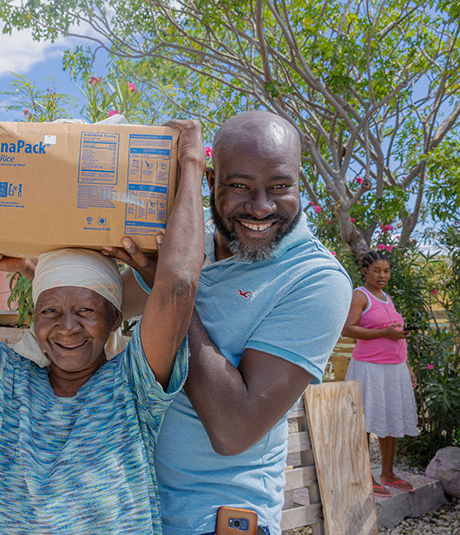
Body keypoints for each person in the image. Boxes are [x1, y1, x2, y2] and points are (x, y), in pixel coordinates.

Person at [0, 112, 206, 535]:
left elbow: (177, 285)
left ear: (114, 318)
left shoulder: (131, 387)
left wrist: (191, 162)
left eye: (85, 311)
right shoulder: (6, 384)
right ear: (34, 317)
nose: (66, 327)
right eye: (50, 311)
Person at [103, 110, 353, 535]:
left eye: (279, 187)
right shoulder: (189, 239)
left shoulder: (316, 281)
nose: (261, 207)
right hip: (133, 509)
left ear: (298, 182)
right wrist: (43, 266)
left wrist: (173, 290)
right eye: (239, 186)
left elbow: (234, 429)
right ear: (209, 179)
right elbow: (109, 307)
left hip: (216, 518)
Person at [341, 250, 419, 497]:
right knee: (364, 421)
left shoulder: (387, 297)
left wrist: (408, 367)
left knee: (390, 419)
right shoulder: (359, 295)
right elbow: (347, 329)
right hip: (369, 368)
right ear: (365, 271)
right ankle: (364, 475)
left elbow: (395, 334)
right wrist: (385, 333)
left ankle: (387, 473)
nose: (382, 275)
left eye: (386, 270)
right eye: (377, 270)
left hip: (394, 369)